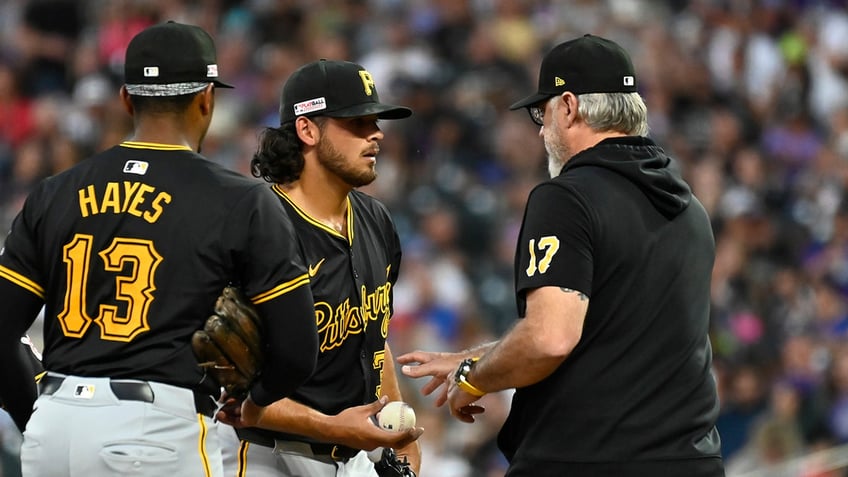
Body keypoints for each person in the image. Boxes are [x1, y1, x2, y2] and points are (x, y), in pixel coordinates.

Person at [398, 34, 726, 477]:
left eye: (543, 111)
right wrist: (481, 354)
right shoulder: (687, 206)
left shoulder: (568, 197)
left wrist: (473, 375)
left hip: (590, 459)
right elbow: (609, 337)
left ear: (569, 107)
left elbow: (549, 339)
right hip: (692, 461)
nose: (540, 128)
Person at [0, 21, 319, 476]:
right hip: (155, 432)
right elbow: (297, 353)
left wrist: (35, 417)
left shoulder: (54, 192)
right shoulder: (240, 199)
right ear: (207, 98)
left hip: (55, 425)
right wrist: (255, 401)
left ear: (127, 99)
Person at [216, 59, 423, 476]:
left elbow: (374, 337)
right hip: (264, 454)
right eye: (357, 122)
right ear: (307, 129)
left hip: (355, 454)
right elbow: (229, 390)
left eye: (375, 121)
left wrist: (398, 433)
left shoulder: (376, 219)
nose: (376, 133)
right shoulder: (257, 227)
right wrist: (332, 426)